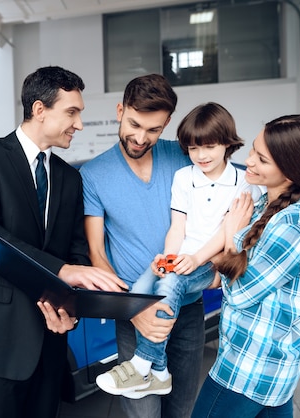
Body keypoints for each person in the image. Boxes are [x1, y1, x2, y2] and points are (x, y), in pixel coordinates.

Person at [0, 66, 127, 418]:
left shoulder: (69, 178)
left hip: (50, 341)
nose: (78, 124)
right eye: (71, 112)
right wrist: (63, 270)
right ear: (40, 110)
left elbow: (76, 251)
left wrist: (69, 311)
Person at [95, 102, 261, 398]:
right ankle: (160, 371)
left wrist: (196, 258)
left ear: (227, 143)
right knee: (141, 289)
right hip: (183, 258)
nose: (201, 156)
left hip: (207, 265)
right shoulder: (184, 177)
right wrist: (169, 256)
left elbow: (229, 234)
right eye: (194, 149)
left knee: (171, 282)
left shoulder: (244, 186)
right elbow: (178, 226)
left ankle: (143, 363)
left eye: (209, 147)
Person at [191, 114, 300, 418]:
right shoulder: (259, 206)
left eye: (262, 159)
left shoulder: (294, 222)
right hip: (261, 362)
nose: (250, 161)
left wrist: (230, 237)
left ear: (291, 172)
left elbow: (240, 294)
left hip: (251, 367)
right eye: (253, 150)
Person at [80, 73, 200, 418]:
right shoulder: (94, 174)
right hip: (135, 309)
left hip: (187, 307)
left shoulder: (182, 157)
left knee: (182, 409)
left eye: (153, 130)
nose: (141, 137)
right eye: (134, 124)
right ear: (120, 110)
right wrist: (133, 311)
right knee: (143, 413)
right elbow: (97, 253)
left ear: (167, 124)